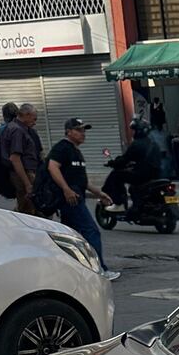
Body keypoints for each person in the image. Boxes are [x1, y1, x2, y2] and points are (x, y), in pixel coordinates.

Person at [44, 119, 118, 279]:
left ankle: (69, 269)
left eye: (84, 130)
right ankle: (100, 269)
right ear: (69, 131)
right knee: (91, 231)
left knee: (70, 237)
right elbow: (52, 167)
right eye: (79, 130)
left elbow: (82, 180)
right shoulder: (62, 148)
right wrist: (66, 189)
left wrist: (99, 193)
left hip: (76, 196)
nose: (83, 134)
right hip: (70, 199)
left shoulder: (75, 150)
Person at [4, 101, 43, 213]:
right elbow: (15, 159)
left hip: (27, 173)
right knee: (28, 210)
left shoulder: (19, 128)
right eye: (34, 119)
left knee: (29, 207)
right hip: (23, 174)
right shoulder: (17, 130)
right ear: (26, 115)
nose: (35, 122)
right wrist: (27, 183)